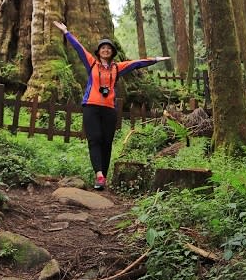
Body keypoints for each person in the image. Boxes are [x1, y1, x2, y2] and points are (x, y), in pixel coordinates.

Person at [54, 20, 170, 190]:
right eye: (103, 48)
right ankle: (99, 175)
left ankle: (104, 177)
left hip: (109, 109)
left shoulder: (117, 68)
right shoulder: (92, 63)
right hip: (91, 107)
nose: (106, 50)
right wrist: (66, 32)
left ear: (112, 52)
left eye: (108, 48)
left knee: (107, 142)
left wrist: (156, 59)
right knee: (95, 139)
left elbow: (136, 63)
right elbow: (79, 48)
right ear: (99, 52)